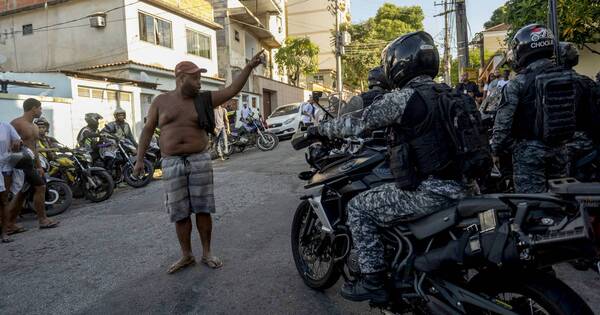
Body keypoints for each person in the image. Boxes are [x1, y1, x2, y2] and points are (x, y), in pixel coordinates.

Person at [311, 31, 479, 303]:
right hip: (469, 187)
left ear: (399, 64)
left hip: (433, 193)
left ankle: (373, 280)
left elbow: (355, 123)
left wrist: (319, 130)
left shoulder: (403, 98)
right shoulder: (454, 94)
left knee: (358, 208)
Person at [133, 54, 264, 274]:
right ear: (181, 78)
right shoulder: (160, 102)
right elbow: (147, 131)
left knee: (203, 209)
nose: (199, 82)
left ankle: (207, 253)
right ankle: (186, 255)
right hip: (172, 163)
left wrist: (249, 67)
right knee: (180, 212)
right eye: (195, 78)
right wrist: (139, 160)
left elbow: (232, 90)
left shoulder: (204, 99)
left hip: (199, 160)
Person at [492, 24, 575, 193]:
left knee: (533, 205)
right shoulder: (570, 76)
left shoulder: (518, 83)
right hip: (561, 150)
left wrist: (499, 151)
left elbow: (502, 127)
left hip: (529, 153)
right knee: (562, 201)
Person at [9, 98, 59, 229]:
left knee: (22, 193)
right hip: (19, 163)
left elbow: (35, 148)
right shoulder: (17, 123)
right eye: (40, 108)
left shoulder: (35, 127)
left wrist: (38, 166)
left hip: (31, 163)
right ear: (33, 108)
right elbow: (5, 143)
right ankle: (42, 220)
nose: (41, 111)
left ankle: (9, 224)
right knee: (40, 187)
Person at [0, 121, 21, 243]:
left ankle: (5, 233)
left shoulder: (5, 126)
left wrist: (17, 143)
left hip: (5, 166)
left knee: (3, 200)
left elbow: (18, 140)